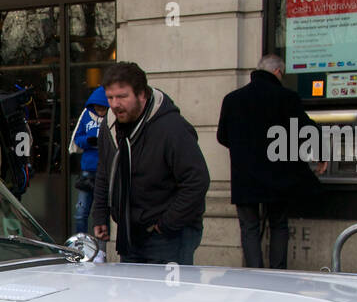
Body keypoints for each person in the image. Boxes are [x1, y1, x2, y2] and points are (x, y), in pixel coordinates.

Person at [90, 62, 209, 264]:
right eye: (110, 97)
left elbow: (197, 180)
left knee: (169, 295)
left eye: (122, 96)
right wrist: (100, 214)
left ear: (142, 95)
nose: (115, 104)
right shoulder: (109, 125)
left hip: (168, 236)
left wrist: (166, 224)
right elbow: (105, 171)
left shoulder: (172, 128)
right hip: (130, 232)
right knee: (131, 293)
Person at [217, 54, 326, 269]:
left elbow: (222, 136)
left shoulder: (232, 99)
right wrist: (321, 155)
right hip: (278, 175)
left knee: (248, 227)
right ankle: (278, 274)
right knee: (278, 224)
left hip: (245, 177)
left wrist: (244, 151)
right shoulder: (286, 97)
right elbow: (306, 130)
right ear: (277, 72)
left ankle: (255, 274)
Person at [69, 86, 109, 235]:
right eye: (97, 108)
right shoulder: (86, 115)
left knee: (103, 213)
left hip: (105, 171)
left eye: (103, 108)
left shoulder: (112, 117)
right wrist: (89, 141)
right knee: (81, 212)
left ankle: (102, 247)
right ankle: (82, 242)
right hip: (88, 170)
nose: (100, 111)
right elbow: (77, 139)